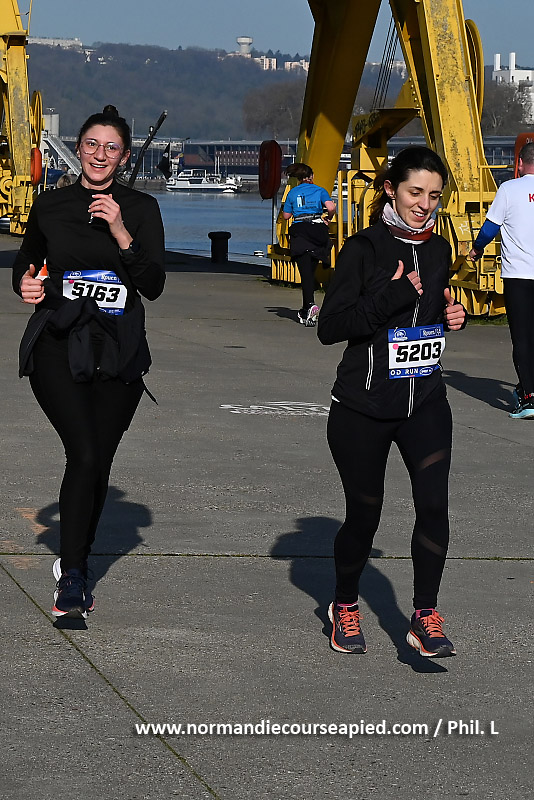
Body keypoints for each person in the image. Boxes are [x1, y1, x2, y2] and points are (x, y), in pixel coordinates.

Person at [13, 105, 165, 619]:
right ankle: (74, 576)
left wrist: (121, 230)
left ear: (124, 157)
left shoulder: (140, 208)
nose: (100, 155)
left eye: (111, 148)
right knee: (82, 452)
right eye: (92, 145)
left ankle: (76, 556)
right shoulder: (51, 205)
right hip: (59, 342)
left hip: (118, 350)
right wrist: (24, 283)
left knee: (98, 460)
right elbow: (27, 259)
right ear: (78, 148)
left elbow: (154, 284)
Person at [317, 147, 466, 658]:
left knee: (434, 506)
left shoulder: (439, 249)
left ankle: (425, 615)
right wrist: (392, 297)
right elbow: (331, 328)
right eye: (415, 192)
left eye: (434, 196)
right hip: (363, 407)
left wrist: (450, 315)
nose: (424, 204)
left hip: (425, 399)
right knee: (365, 515)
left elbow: (430, 310)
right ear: (390, 189)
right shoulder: (363, 249)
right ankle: (343, 604)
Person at [469, 141, 534, 419]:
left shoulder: (509, 188)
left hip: (518, 275)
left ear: (519, 163)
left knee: (522, 338)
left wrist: (476, 249)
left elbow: (490, 228)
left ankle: (529, 397)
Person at [282, 163, 336, 327]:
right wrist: (328, 218)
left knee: (305, 274)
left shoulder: (293, 192)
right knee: (309, 273)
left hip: (301, 233)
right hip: (318, 231)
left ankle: (310, 305)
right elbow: (331, 207)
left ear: (298, 179)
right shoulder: (320, 190)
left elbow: (286, 216)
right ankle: (306, 311)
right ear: (312, 176)